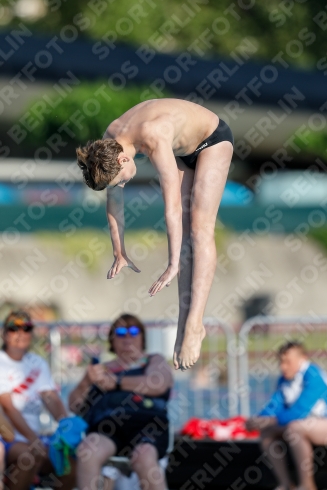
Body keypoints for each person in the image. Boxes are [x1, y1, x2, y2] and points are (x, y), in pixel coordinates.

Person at [76, 98, 234, 370]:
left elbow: (171, 207)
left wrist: (172, 264)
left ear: (123, 158)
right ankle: (185, 324)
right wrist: (119, 251)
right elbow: (114, 202)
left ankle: (196, 325)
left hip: (212, 140)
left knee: (198, 228)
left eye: (122, 179)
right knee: (185, 238)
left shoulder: (153, 134)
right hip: (184, 147)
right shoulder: (108, 144)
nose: (123, 184)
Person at [69, 313, 173, 490]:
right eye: (121, 331)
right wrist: (86, 381)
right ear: (112, 339)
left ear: (142, 337)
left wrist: (117, 383)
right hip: (108, 428)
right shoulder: (100, 370)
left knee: (145, 455)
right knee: (87, 450)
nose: (127, 337)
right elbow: (74, 406)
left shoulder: (153, 360)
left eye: (133, 331)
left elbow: (158, 383)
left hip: (147, 423)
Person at [0, 310, 76, 490]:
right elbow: (9, 408)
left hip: (33, 436)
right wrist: (34, 440)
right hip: (7, 437)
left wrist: (67, 426)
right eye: (14, 328)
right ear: (4, 333)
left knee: (70, 463)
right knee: (29, 456)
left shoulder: (38, 363)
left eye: (26, 328)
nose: (20, 333)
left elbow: (50, 398)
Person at [246, 341, 327, 490]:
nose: (283, 367)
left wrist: (271, 420)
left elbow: (300, 411)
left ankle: (307, 486)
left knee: (294, 428)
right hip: (309, 425)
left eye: (287, 362)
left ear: (302, 359)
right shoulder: (284, 379)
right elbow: (275, 405)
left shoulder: (313, 374)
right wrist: (258, 419)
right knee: (267, 433)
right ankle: (286, 484)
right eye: (280, 362)